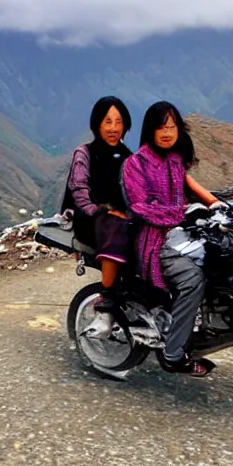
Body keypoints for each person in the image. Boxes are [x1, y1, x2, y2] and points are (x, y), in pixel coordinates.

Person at [122, 101, 226, 376]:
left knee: (225, 259)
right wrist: (182, 214)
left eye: (172, 127)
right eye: (161, 127)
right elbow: (140, 207)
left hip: (183, 235)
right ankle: (173, 354)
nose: (167, 133)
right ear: (150, 130)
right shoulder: (136, 163)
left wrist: (217, 205)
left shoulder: (176, 159)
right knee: (193, 280)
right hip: (153, 243)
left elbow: (188, 188)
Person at [61, 96, 133, 334]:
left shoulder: (129, 156)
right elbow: (79, 192)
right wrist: (103, 210)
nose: (113, 128)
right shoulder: (84, 153)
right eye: (107, 121)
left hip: (121, 217)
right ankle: (107, 301)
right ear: (97, 125)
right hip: (91, 219)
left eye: (118, 121)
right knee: (116, 226)